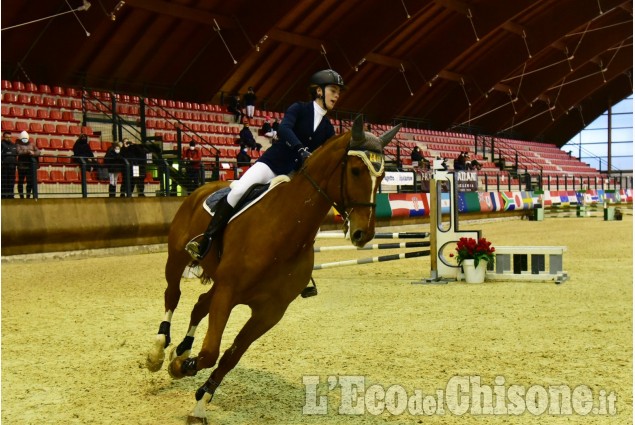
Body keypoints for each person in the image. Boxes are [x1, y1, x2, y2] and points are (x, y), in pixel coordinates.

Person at [186, 69, 345, 275]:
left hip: (293, 177)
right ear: (318, 91)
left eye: (338, 92)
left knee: (306, 219)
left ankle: (295, 268)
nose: (337, 95)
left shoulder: (328, 129)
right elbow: (284, 130)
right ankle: (206, 241)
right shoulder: (299, 108)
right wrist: (300, 149)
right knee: (238, 190)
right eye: (333, 90)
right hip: (272, 164)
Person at [15, 130, 40, 199]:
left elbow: (38, 152)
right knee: (21, 182)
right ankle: (21, 196)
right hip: (21, 166)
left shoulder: (32, 144)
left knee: (29, 182)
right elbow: (19, 152)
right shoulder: (17, 144)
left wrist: (34, 153)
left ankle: (28, 196)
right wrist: (29, 151)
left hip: (30, 167)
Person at [1, 131, 18, 198]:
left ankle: (11, 195)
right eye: (7, 137)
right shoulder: (1, 144)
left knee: (11, 181)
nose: (8, 138)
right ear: (3, 137)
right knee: (4, 181)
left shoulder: (13, 145)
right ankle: (3, 195)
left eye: (10, 137)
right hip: (4, 166)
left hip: (12, 166)